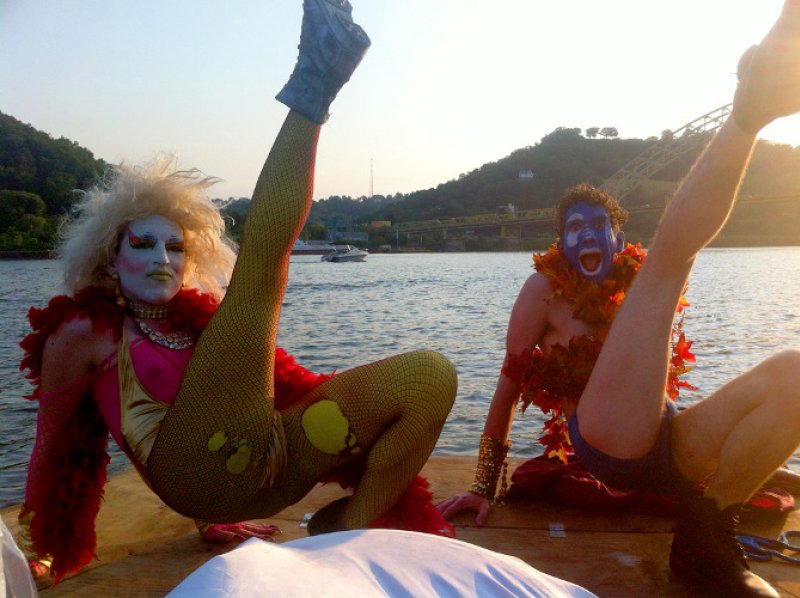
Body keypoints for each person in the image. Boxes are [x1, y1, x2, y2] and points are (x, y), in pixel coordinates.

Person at [17, 0, 457, 582]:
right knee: (261, 279)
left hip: (270, 463)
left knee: (431, 376)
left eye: (176, 248)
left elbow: (240, 398)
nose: (161, 259)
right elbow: (55, 448)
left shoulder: (197, 324)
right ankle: (317, 81)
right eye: (143, 244)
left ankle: (349, 526)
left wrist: (219, 520)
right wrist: (47, 543)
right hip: (196, 478)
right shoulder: (84, 334)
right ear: (109, 255)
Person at [443, 1, 800, 594]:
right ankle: (749, 114)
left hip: (662, 439)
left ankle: (706, 538)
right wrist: (483, 486)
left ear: (617, 238)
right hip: (601, 443)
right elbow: (507, 386)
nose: (586, 235)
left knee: (793, 374)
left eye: (598, 227)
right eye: (573, 228)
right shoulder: (544, 292)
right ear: (559, 243)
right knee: (671, 263)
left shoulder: (629, 282)